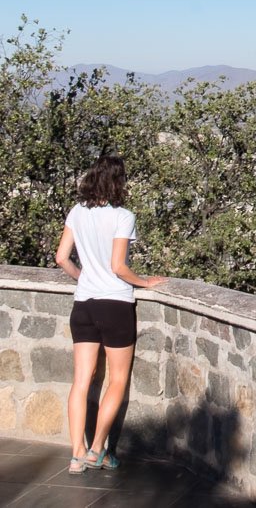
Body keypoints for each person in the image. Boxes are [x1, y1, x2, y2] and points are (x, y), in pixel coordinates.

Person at [54, 155, 167, 475]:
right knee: (117, 380)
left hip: (84, 304)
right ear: (119, 182)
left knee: (80, 381)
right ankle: (97, 449)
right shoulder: (123, 216)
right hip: (115, 304)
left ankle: (76, 454)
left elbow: (62, 257)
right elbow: (119, 267)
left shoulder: (77, 212)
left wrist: (84, 278)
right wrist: (145, 282)